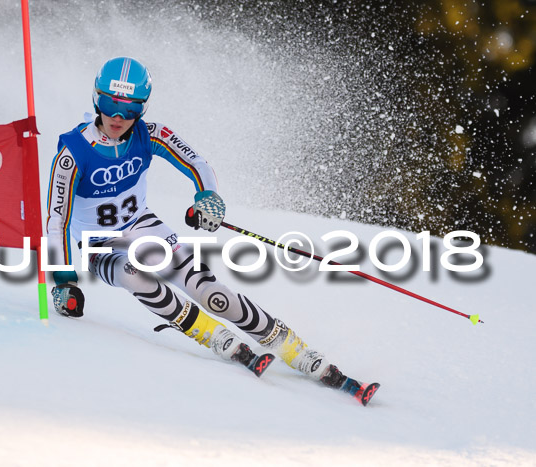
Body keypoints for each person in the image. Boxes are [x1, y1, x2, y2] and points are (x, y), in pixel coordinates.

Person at [46, 56, 364, 396]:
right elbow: (57, 221)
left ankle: (295, 349)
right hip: (99, 244)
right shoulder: (74, 152)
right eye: (110, 104)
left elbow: (196, 162)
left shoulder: (148, 134)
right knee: (131, 274)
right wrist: (64, 280)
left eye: (131, 108)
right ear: (96, 99)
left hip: (143, 226)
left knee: (211, 293)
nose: (118, 117)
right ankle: (211, 334)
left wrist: (206, 196)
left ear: (143, 108)